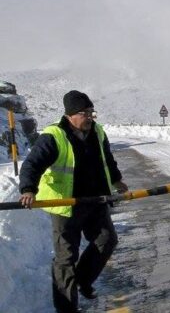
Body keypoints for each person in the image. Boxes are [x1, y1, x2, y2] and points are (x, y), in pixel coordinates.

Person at [18, 90, 128, 313]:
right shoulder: (53, 136)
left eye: (91, 112)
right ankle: (67, 308)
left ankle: (82, 280)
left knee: (107, 240)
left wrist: (116, 180)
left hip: (96, 200)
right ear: (69, 115)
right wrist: (28, 189)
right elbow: (32, 164)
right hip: (65, 205)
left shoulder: (97, 132)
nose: (89, 117)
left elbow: (107, 159)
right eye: (83, 113)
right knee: (66, 258)